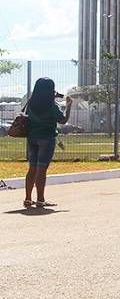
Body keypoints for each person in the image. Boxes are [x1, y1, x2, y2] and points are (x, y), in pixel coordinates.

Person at [22, 78, 72, 208]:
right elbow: (63, 121)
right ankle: (40, 199)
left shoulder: (31, 102)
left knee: (32, 168)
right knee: (42, 169)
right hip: (47, 138)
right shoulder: (52, 105)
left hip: (32, 137)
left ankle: (28, 198)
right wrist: (69, 106)